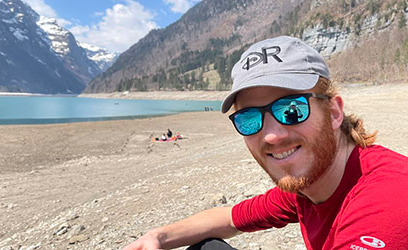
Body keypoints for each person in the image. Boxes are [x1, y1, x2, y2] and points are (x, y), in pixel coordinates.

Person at [123, 36, 408, 250]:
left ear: (334, 112)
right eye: (249, 119)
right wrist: (157, 237)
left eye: (292, 109)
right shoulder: (310, 185)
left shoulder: (387, 201)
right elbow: (231, 218)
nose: (272, 135)